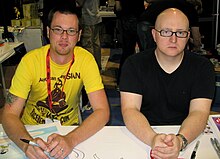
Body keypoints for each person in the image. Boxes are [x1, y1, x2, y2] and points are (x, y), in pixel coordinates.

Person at [1, 3, 110, 159]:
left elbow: (102, 111)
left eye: (71, 31)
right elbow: (9, 114)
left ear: (79, 35)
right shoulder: (30, 61)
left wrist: (71, 140)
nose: (64, 37)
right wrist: (26, 145)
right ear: (48, 32)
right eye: (58, 30)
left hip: (69, 130)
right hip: (31, 131)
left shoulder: (86, 60)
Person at [120, 8, 215, 159]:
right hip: (143, 133)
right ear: (154, 35)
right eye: (166, 32)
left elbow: (199, 112)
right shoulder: (134, 64)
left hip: (189, 134)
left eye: (180, 33)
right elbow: (130, 110)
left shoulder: (202, 67)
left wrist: (180, 140)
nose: (173, 39)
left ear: (188, 36)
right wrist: (153, 139)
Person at [137, 0, 203, 52]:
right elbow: (196, 36)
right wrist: (198, 47)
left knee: (147, 54)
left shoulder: (180, 4)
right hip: (149, 25)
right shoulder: (192, 10)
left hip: (141, 23)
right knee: (153, 55)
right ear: (197, 7)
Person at [80, 0, 102, 70]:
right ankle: (98, 66)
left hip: (88, 18)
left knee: (88, 44)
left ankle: (90, 68)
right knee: (96, 44)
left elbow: (80, 3)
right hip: (96, 16)